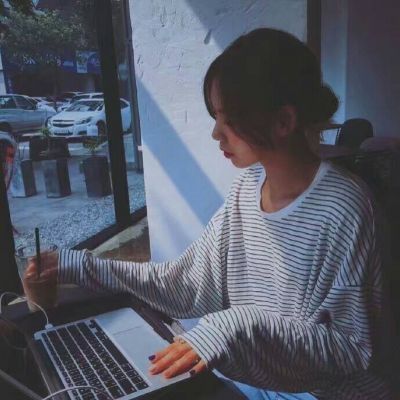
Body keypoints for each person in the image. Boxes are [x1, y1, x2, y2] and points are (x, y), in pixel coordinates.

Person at [29, 28, 391, 399]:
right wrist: (78, 266)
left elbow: (352, 348)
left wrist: (234, 327)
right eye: (216, 117)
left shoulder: (346, 207)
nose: (216, 133)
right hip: (260, 384)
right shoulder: (246, 190)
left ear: (283, 121)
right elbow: (183, 284)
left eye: (229, 119)